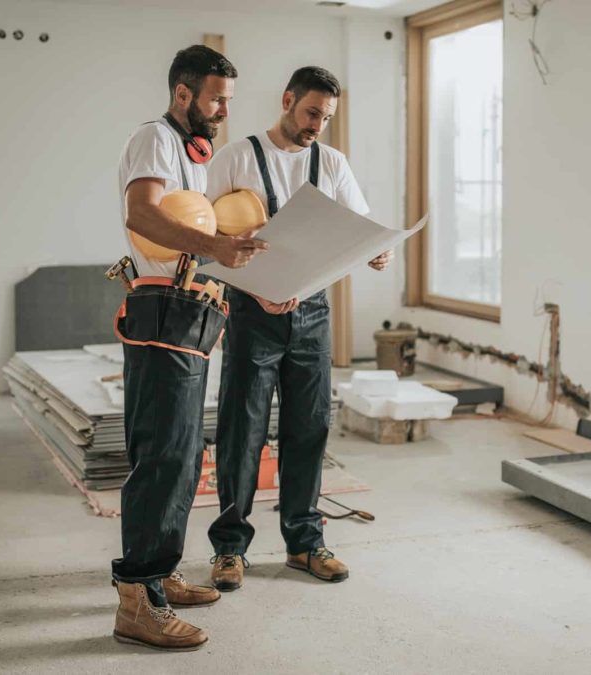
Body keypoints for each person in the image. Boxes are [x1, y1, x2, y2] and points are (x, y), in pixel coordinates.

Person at [205, 66, 392, 590]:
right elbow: (204, 237)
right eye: (312, 113)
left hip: (312, 315)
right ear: (287, 100)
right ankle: (229, 549)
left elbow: (360, 227)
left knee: (308, 428)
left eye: (326, 118)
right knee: (242, 431)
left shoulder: (330, 162)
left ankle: (305, 543)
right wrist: (252, 285)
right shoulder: (236, 157)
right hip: (250, 313)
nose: (317, 125)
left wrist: (378, 251)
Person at [111, 44, 267, 652]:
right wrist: (219, 250)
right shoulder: (154, 137)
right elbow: (143, 215)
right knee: (162, 456)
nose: (224, 110)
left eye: (228, 99)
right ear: (184, 94)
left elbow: (194, 225)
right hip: (161, 308)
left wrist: (230, 247)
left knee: (183, 454)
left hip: (192, 308)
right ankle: (138, 599)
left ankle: (162, 573)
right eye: (216, 99)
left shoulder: (192, 154)